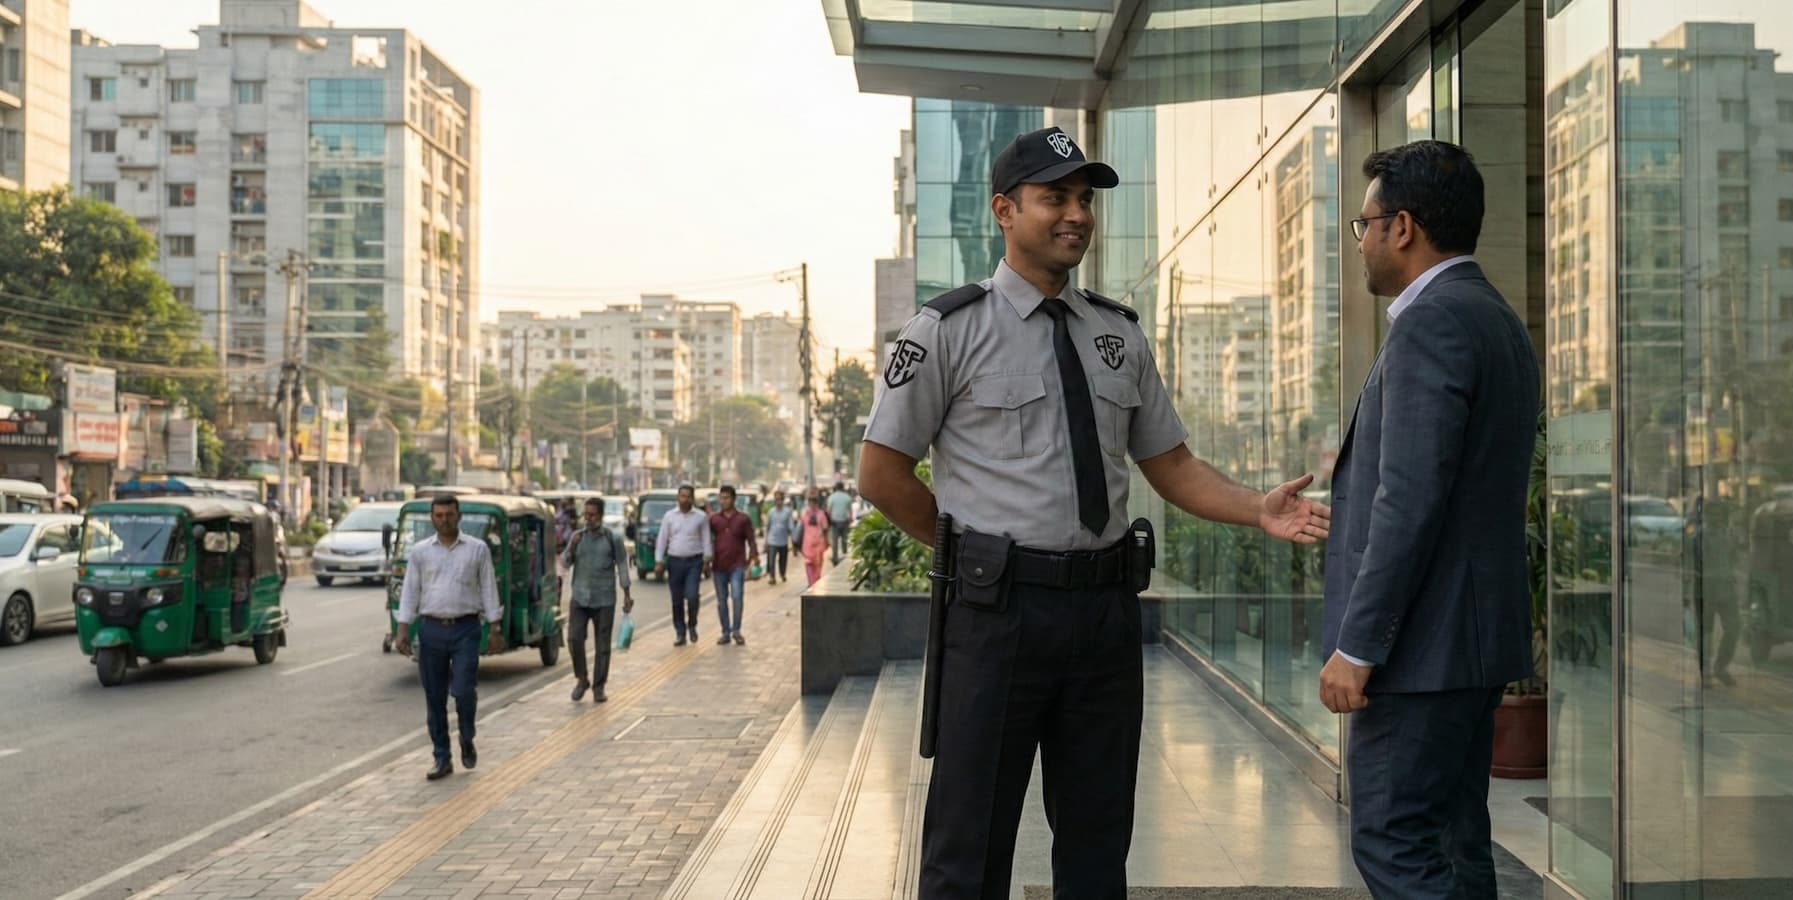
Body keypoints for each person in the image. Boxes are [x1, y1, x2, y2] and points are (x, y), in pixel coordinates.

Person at [859, 125, 1330, 899]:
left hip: (1104, 618)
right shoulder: (946, 330)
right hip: (996, 615)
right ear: (1005, 210)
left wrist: (1257, 508)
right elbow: (880, 472)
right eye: (1055, 198)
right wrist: (966, 550)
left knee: (1097, 840)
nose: (1076, 214)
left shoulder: (1116, 334)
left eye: (1084, 199)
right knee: (967, 846)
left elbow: (1170, 463)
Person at [1319, 140, 1540, 900]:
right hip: (1469, 645)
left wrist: (1357, 644)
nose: (1361, 243)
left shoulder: (1430, 323)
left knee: (1392, 839)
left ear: (1401, 227)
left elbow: (1408, 499)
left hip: (1420, 652)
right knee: (1453, 837)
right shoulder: (1494, 318)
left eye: (1363, 224)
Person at [393, 495, 503, 781]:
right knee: (435, 698)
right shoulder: (419, 552)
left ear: (459, 516)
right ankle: (442, 757)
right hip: (430, 630)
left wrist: (495, 627)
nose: (444, 520)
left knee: (464, 690)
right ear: (432, 518)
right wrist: (402, 628)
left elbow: (489, 588)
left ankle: (467, 735)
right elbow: (410, 591)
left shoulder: (477, 550)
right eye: (439, 515)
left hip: (466, 629)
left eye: (449, 515)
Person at [562, 497, 632, 703]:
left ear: (600, 516)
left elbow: (622, 565)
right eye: (586, 514)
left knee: (602, 645)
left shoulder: (612, 537)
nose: (588, 519)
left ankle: (599, 686)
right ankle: (581, 679)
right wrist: (572, 547)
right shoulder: (577, 536)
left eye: (592, 515)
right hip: (580, 597)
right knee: (574, 638)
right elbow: (565, 563)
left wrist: (627, 594)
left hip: (604, 598)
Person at [653, 484, 711, 647]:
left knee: (692, 596)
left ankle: (692, 624)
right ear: (677, 498)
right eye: (682, 496)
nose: (685, 499)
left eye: (688, 496)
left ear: (693, 498)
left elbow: (706, 540)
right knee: (676, 600)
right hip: (674, 561)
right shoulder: (669, 516)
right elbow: (662, 539)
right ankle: (680, 631)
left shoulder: (700, 517)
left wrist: (707, 561)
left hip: (694, 561)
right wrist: (659, 561)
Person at [707, 484, 759, 646]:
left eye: (726, 498)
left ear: (733, 499)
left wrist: (754, 555)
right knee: (722, 600)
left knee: (737, 597)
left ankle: (736, 630)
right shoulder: (714, 520)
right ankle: (725, 632)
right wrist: (706, 560)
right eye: (721, 498)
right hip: (718, 566)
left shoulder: (743, 519)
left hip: (737, 565)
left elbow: (751, 539)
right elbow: (707, 541)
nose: (723, 501)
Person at [798, 492, 830, 587]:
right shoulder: (806, 514)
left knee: (818, 564)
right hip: (808, 543)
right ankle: (811, 583)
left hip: (818, 544)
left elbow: (825, 529)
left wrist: (827, 540)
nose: (812, 504)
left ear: (816, 503)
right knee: (809, 563)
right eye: (810, 502)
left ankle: (815, 581)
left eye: (813, 502)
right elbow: (801, 527)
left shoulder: (820, 514)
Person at [764, 490, 795, 586]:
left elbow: (791, 526)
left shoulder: (787, 512)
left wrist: (793, 538)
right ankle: (772, 577)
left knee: (783, 559)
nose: (778, 502)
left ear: (783, 500)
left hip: (783, 541)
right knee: (771, 560)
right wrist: (766, 541)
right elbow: (767, 527)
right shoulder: (771, 512)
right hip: (772, 540)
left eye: (780, 500)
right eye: (776, 500)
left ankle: (782, 574)